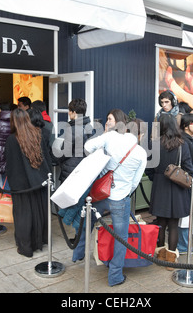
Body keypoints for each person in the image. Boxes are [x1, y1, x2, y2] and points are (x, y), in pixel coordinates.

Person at [72, 109, 147, 287]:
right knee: (121, 238)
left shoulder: (110, 138)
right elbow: (135, 182)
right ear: (140, 134)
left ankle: (77, 253)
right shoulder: (141, 153)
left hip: (99, 193)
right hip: (120, 198)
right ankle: (115, 276)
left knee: (86, 224)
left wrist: (103, 159)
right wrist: (122, 189)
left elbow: (88, 147)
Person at [146, 114, 193, 268]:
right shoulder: (182, 144)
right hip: (177, 188)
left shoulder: (154, 144)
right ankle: (171, 259)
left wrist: (158, 177)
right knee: (174, 224)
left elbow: (149, 169)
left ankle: (160, 254)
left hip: (160, 186)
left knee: (160, 223)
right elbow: (189, 169)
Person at [5, 108, 52, 257]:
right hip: (38, 181)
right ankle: (40, 241)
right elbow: (45, 158)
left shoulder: (12, 139)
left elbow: (11, 164)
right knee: (38, 213)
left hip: (21, 185)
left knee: (23, 215)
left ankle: (25, 247)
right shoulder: (37, 133)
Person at [57, 99, 95, 233]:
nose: (68, 114)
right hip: (85, 169)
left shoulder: (73, 129)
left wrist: (56, 159)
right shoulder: (90, 126)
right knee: (81, 204)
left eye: (69, 111)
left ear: (73, 112)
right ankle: (81, 233)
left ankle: (77, 234)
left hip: (72, 169)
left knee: (72, 203)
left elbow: (64, 152)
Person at [177, 113, 193, 254]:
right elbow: (191, 165)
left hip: (187, 181)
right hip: (187, 181)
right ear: (186, 126)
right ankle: (183, 245)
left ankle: (183, 244)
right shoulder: (186, 141)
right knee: (186, 215)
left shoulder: (191, 139)